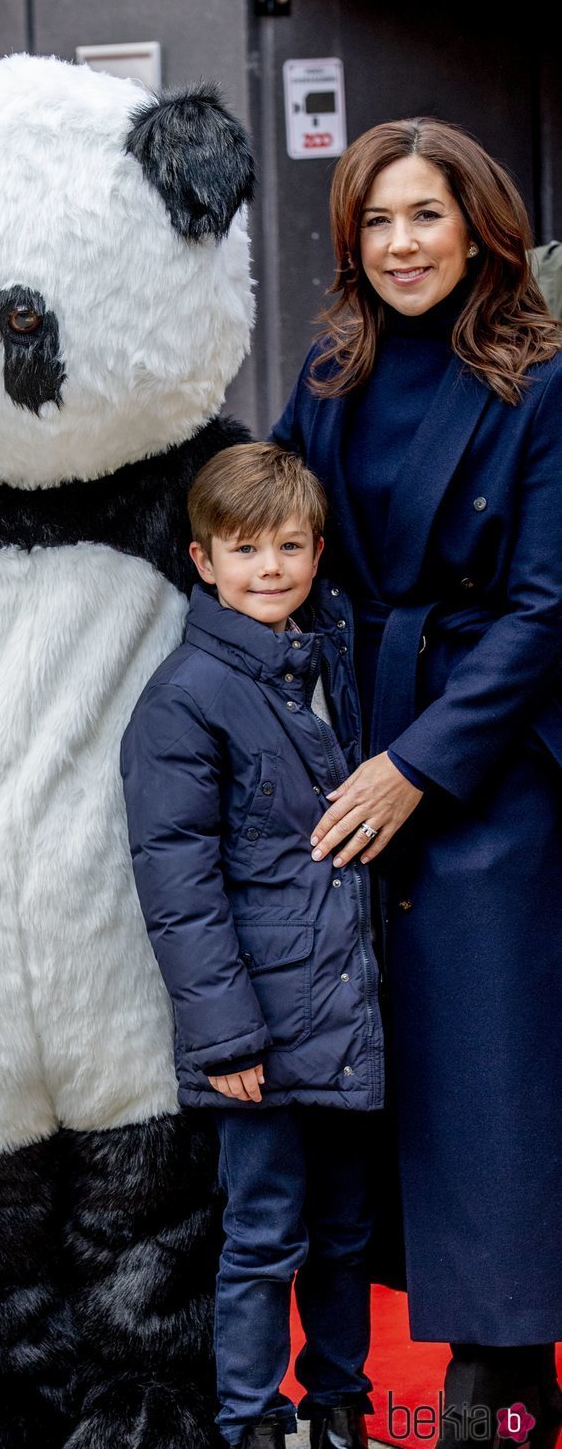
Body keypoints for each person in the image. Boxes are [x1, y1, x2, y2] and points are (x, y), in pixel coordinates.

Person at [271, 117, 562, 1449]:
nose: (399, 244)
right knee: (385, 1071)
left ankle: (499, 1379)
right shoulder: (329, 368)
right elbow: (263, 523)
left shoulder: (542, 379)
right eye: (376, 222)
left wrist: (422, 765)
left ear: (478, 226)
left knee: (491, 1071)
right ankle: (367, 1361)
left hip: (491, 761)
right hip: (352, 737)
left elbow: (549, 609)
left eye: (424, 217)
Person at [121, 442, 384, 1449]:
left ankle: (337, 1403)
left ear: (317, 550)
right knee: (262, 1233)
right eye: (244, 551)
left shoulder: (327, 662)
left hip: (343, 1014)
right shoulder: (184, 696)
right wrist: (224, 1039)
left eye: (287, 547)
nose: (268, 569)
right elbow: (175, 883)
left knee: (345, 1231)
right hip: (258, 1036)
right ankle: (248, 1420)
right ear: (202, 560)